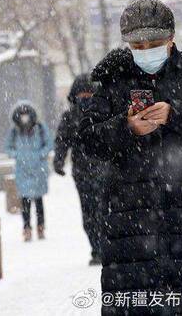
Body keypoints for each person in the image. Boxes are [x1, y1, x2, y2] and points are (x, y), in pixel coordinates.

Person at [80, 0, 182, 315]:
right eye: (138, 45)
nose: (146, 50)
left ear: (171, 40)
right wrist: (125, 127)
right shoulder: (114, 81)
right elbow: (87, 139)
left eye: (154, 43)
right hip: (131, 221)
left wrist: (177, 113)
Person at [53, 74, 107, 265]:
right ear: (74, 95)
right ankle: (96, 249)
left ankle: (107, 249)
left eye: (89, 93)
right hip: (82, 173)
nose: (85, 97)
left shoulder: (103, 113)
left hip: (104, 171)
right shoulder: (70, 117)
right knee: (89, 213)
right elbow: (61, 141)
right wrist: (58, 162)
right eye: (81, 93)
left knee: (104, 210)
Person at [5, 100, 54, 242]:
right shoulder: (14, 131)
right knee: (25, 202)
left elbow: (49, 143)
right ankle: (26, 228)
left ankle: (40, 227)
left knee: (39, 201)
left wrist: (40, 154)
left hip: (38, 169)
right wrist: (18, 156)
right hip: (23, 170)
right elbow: (8, 148)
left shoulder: (40, 128)